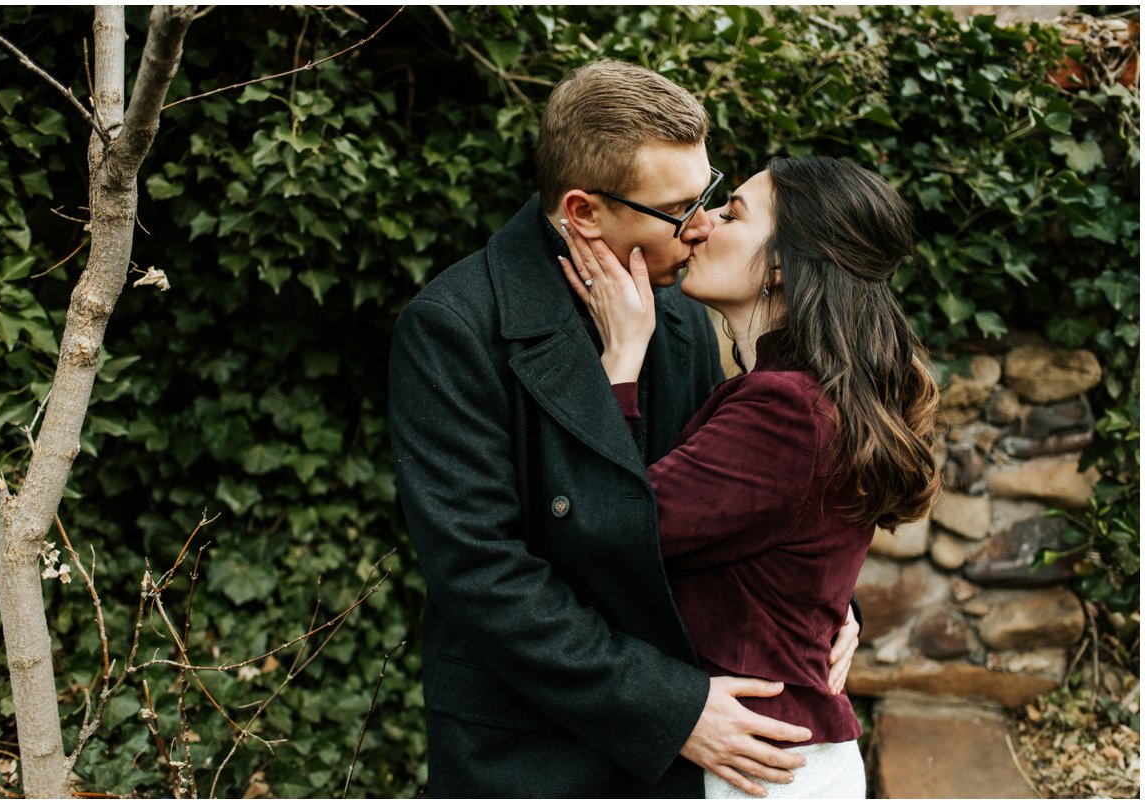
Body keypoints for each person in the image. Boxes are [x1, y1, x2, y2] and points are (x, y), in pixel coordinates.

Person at [389, 60, 860, 798]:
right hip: (533, 744)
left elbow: (730, 497)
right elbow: (483, 574)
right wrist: (669, 709)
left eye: (708, 194)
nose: (703, 227)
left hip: (689, 743)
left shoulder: (678, 307)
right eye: (680, 208)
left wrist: (824, 600)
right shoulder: (454, 326)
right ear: (583, 211)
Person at [559, 155, 942, 798]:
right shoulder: (796, 394)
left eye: (731, 212)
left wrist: (621, 362)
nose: (701, 223)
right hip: (768, 757)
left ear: (783, 264)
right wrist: (838, 612)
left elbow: (617, 530)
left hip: (758, 768)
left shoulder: (788, 407)